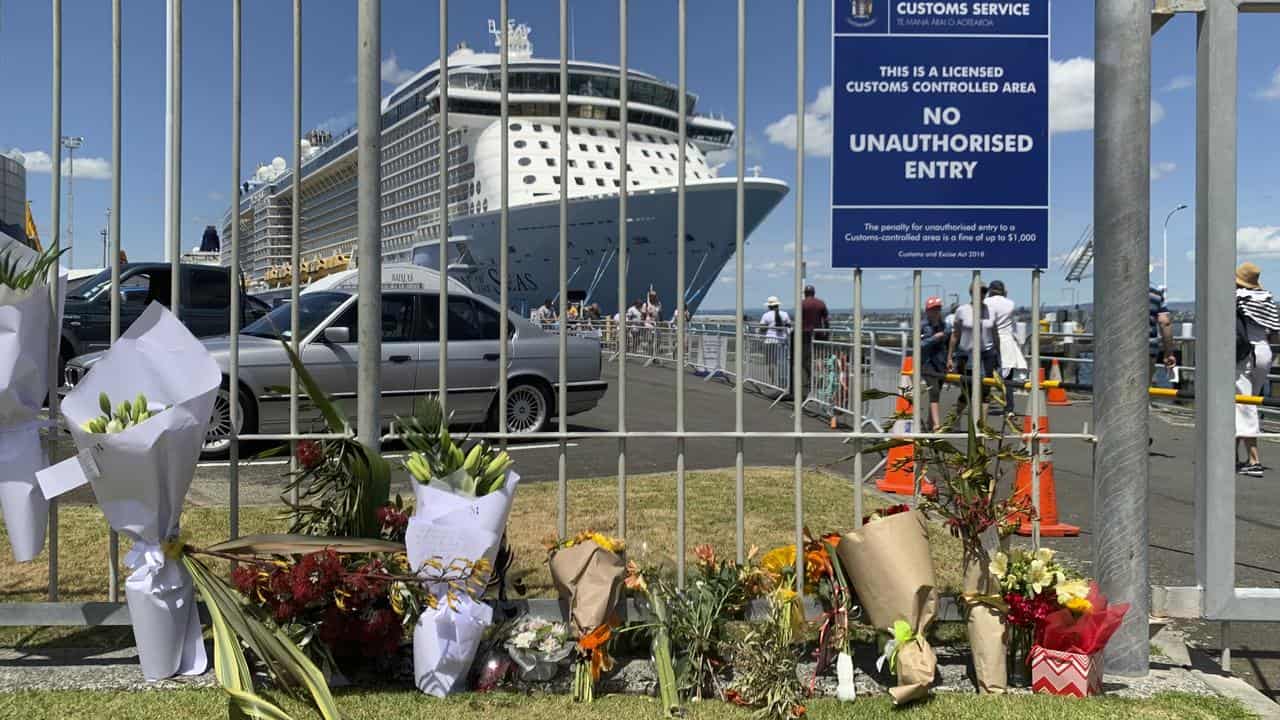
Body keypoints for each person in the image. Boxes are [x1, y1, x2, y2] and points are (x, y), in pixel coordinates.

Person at [1234, 262, 1280, 477]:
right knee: (1246, 401)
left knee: (1243, 404)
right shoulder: (1267, 297)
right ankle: (1231, 453)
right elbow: (1274, 332)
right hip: (1264, 351)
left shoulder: (1236, 296)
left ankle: (1254, 460)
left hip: (1243, 352)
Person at [947, 287, 997, 420]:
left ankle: (983, 427)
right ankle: (955, 420)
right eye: (978, 291)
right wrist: (950, 357)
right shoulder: (962, 310)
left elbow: (995, 334)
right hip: (966, 354)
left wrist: (999, 355)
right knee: (967, 391)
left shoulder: (991, 311)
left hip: (987, 353)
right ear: (971, 293)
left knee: (986, 391)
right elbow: (955, 335)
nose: (981, 294)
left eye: (984, 292)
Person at [984, 280, 1026, 416]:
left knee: (987, 376)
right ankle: (1009, 408)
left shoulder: (986, 303)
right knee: (1008, 379)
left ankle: (982, 403)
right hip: (1007, 342)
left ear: (990, 290)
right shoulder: (1010, 304)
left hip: (989, 341)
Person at [921, 296, 950, 431]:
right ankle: (937, 426)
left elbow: (951, 344)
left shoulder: (946, 327)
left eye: (938, 309)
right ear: (927, 311)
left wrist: (951, 359)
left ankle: (930, 424)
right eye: (933, 309)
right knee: (934, 391)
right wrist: (933, 338)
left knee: (936, 392)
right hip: (927, 363)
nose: (936, 312)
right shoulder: (922, 326)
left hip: (941, 363)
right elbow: (918, 345)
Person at [800, 285, 830, 400]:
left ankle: (812, 378)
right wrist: (826, 333)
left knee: (805, 358)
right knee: (819, 357)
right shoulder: (820, 303)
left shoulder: (802, 304)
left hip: (805, 334)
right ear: (814, 292)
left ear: (805, 293)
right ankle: (820, 377)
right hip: (819, 333)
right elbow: (826, 320)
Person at [760, 296, 792, 393]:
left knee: (771, 363)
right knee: (782, 362)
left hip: (770, 340)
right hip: (782, 341)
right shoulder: (785, 314)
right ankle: (783, 382)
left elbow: (761, 328)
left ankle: (772, 382)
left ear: (769, 306)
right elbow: (789, 326)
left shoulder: (766, 315)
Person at [1149, 285, 1177, 386]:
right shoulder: (1155, 294)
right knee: (1143, 391)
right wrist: (1169, 354)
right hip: (1148, 350)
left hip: (1117, 350)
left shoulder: (1113, 291)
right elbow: (1165, 322)